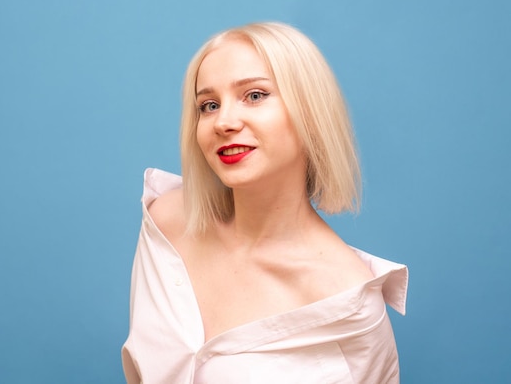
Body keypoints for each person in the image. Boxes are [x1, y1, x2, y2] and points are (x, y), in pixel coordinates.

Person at [122, 22, 408, 383]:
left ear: (311, 112)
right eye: (208, 105)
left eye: (254, 95)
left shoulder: (348, 307)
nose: (223, 121)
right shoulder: (166, 224)